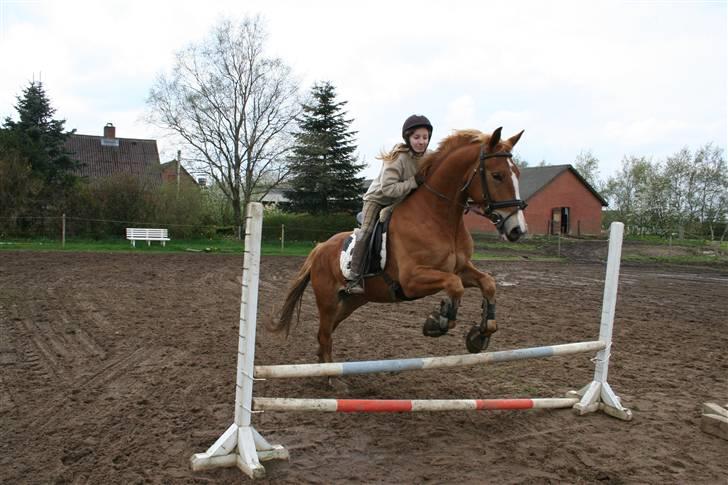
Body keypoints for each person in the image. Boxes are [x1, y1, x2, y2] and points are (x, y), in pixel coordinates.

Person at [345, 114, 433, 294]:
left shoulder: (430, 156)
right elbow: (388, 190)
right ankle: (354, 277)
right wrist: (414, 182)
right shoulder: (397, 158)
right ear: (408, 138)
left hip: (401, 201)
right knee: (367, 230)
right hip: (378, 199)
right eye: (417, 137)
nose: (422, 142)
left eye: (425, 137)